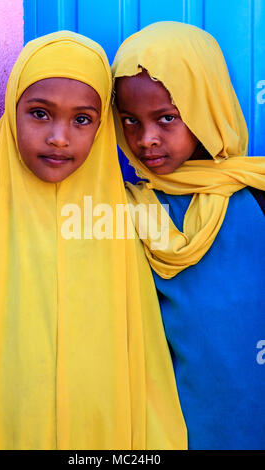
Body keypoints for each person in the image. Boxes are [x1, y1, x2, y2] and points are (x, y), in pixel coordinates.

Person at [0, 30, 186, 450]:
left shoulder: (125, 221)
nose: (59, 137)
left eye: (82, 119)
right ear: (12, 112)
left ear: (103, 128)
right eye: (40, 114)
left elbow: (147, 360)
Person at [112, 21, 265, 450]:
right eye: (130, 121)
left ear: (208, 106)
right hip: (175, 426)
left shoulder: (256, 197)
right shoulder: (128, 209)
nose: (146, 140)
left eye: (167, 118)